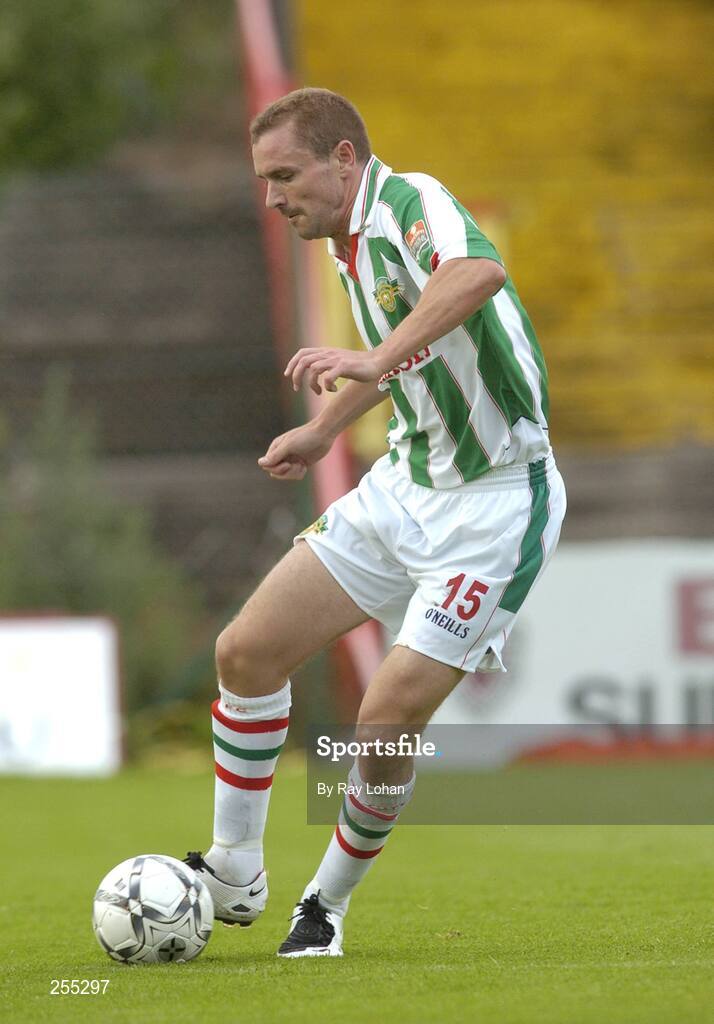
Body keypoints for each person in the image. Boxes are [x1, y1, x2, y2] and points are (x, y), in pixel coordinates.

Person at [184, 87, 566, 958]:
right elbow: (407, 350)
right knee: (245, 651)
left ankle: (324, 905)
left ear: (344, 160)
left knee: (384, 717)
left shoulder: (408, 202)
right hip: (406, 484)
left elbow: (477, 273)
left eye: (286, 175)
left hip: (497, 504)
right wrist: (323, 431)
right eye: (264, 179)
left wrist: (371, 355)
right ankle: (234, 867)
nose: (274, 197)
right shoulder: (352, 245)